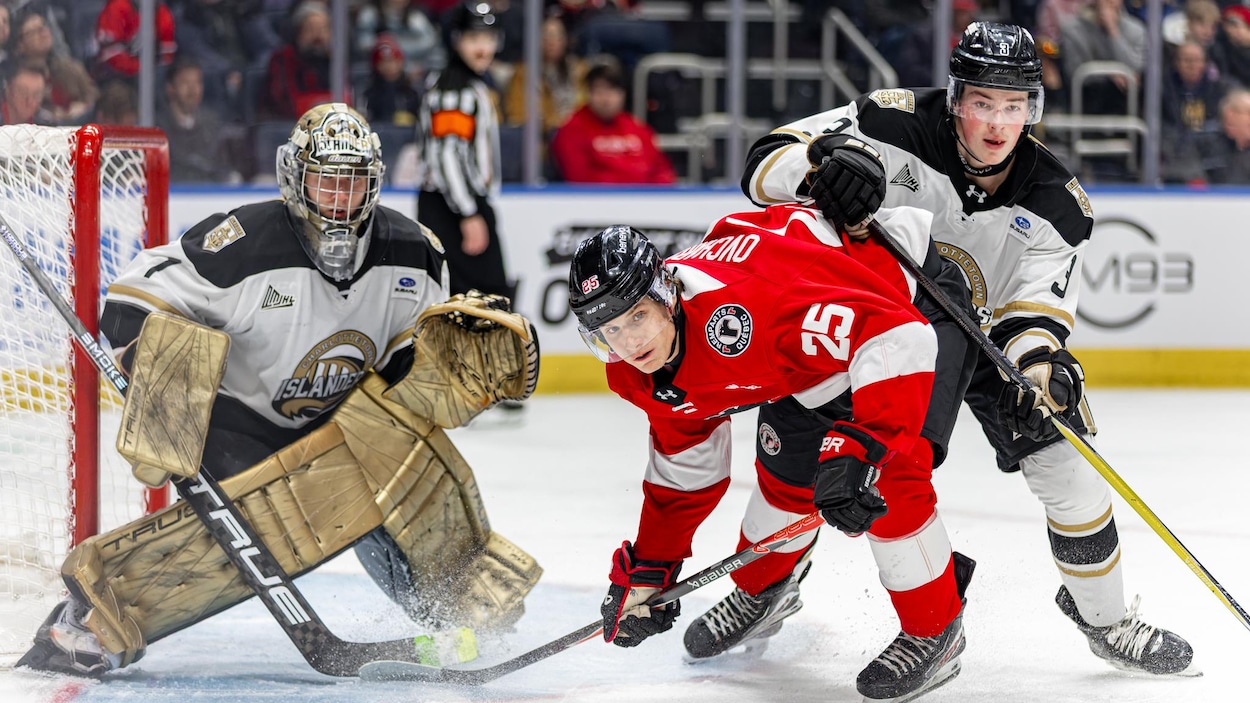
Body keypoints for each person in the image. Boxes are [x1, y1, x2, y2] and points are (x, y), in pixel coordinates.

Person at [15, 102, 542, 677]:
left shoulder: (416, 252)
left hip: (337, 417)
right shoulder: (243, 244)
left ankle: (454, 606)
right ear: (296, 178)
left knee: (407, 462)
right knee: (269, 515)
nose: (341, 198)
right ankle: (88, 623)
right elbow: (134, 297)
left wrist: (435, 377)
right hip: (236, 421)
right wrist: (159, 373)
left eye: (354, 183)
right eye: (327, 181)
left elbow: (402, 364)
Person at [739, 21, 1195, 678]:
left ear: (1033, 108)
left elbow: (1034, 314)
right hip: (874, 324)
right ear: (955, 98)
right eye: (983, 101)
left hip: (982, 339)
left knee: (1067, 462)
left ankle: (1108, 618)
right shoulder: (889, 123)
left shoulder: (1058, 204)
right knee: (813, 456)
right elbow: (764, 160)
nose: (997, 123)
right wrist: (819, 173)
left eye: (1015, 106)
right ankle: (767, 584)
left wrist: (1041, 366)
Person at [569, 212, 975, 703]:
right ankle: (764, 592)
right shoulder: (636, 371)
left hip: (906, 302)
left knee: (889, 477)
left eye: (637, 316)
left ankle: (936, 629)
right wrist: (653, 566)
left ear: (666, 294)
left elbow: (896, 336)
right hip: (806, 352)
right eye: (610, 329)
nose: (630, 342)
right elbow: (685, 468)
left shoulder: (749, 312)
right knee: (786, 478)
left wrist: (864, 443)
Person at [416, 1, 512, 300]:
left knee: (480, 301)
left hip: (458, 204)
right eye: (474, 39)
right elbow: (446, 157)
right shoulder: (453, 91)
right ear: (457, 40)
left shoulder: (467, 85)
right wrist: (468, 213)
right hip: (452, 207)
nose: (483, 48)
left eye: (488, 38)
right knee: (480, 303)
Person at [549, 61, 676, 184]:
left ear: (623, 94)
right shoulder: (572, 130)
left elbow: (663, 171)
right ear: (589, 94)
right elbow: (579, 178)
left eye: (612, 92)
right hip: (598, 201)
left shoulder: (637, 128)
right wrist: (630, 182)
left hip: (643, 200)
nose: (606, 99)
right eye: (599, 92)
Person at [156, 57, 232, 182]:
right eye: (185, 82)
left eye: (197, 82)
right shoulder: (158, 126)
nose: (192, 89)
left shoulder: (212, 122)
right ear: (170, 88)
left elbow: (222, 167)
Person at [260, 0, 334, 120]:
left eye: (323, 29)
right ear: (299, 32)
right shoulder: (282, 60)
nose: (318, 36)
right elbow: (283, 100)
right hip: (290, 127)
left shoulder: (335, 61)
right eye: (311, 29)